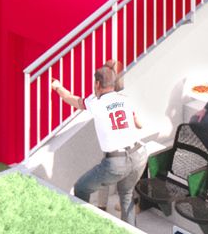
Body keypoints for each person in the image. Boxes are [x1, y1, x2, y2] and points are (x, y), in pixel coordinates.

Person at [51, 63, 144, 224]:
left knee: (81, 188)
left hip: (116, 162)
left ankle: (83, 226)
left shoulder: (97, 102)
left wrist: (58, 87)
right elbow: (139, 124)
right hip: (139, 155)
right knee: (126, 197)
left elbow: (73, 100)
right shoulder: (126, 99)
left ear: (97, 84)